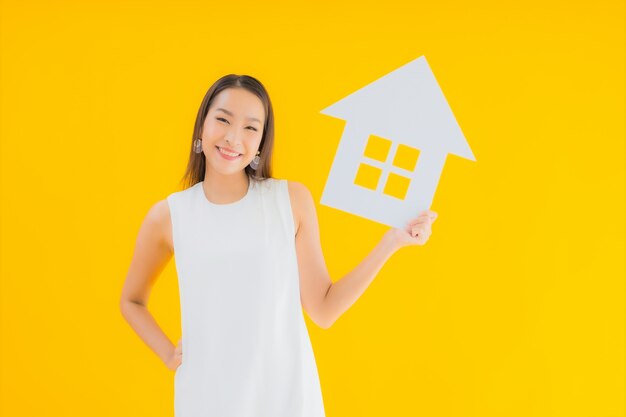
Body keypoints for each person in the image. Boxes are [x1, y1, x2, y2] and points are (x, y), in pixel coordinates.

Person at [119, 74, 438, 416]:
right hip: (207, 397)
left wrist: (391, 242)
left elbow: (324, 309)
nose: (233, 137)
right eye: (223, 120)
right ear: (201, 127)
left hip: (286, 396)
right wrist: (169, 354)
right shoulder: (169, 216)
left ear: (261, 144)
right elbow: (131, 300)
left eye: (250, 128)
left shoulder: (290, 200)